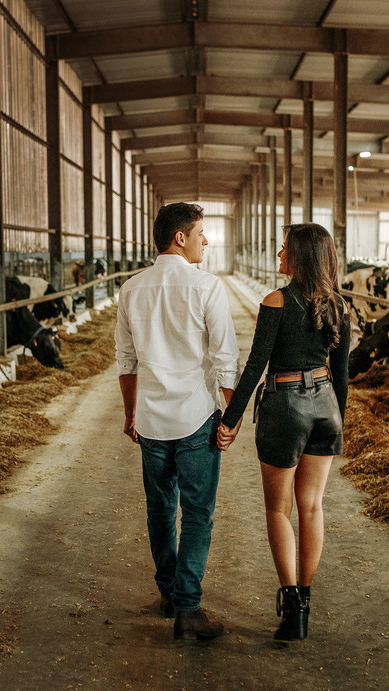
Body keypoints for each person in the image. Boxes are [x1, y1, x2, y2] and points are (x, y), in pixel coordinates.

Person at [216, 223, 350, 642]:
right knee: (312, 507)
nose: (278, 253)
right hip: (326, 406)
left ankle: (291, 609)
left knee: (279, 509)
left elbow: (256, 365)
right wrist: (338, 422)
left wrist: (230, 418)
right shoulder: (340, 306)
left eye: (285, 247)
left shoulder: (276, 300)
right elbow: (342, 375)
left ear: (301, 255)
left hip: (286, 405)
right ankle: (305, 603)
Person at [115, 202, 239, 642]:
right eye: (201, 233)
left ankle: (168, 592)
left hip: (150, 420)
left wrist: (130, 413)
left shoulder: (131, 289)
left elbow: (126, 362)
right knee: (198, 514)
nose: (207, 240)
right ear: (180, 237)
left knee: (160, 509)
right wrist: (232, 419)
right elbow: (226, 361)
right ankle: (188, 608)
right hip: (195, 417)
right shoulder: (207, 287)